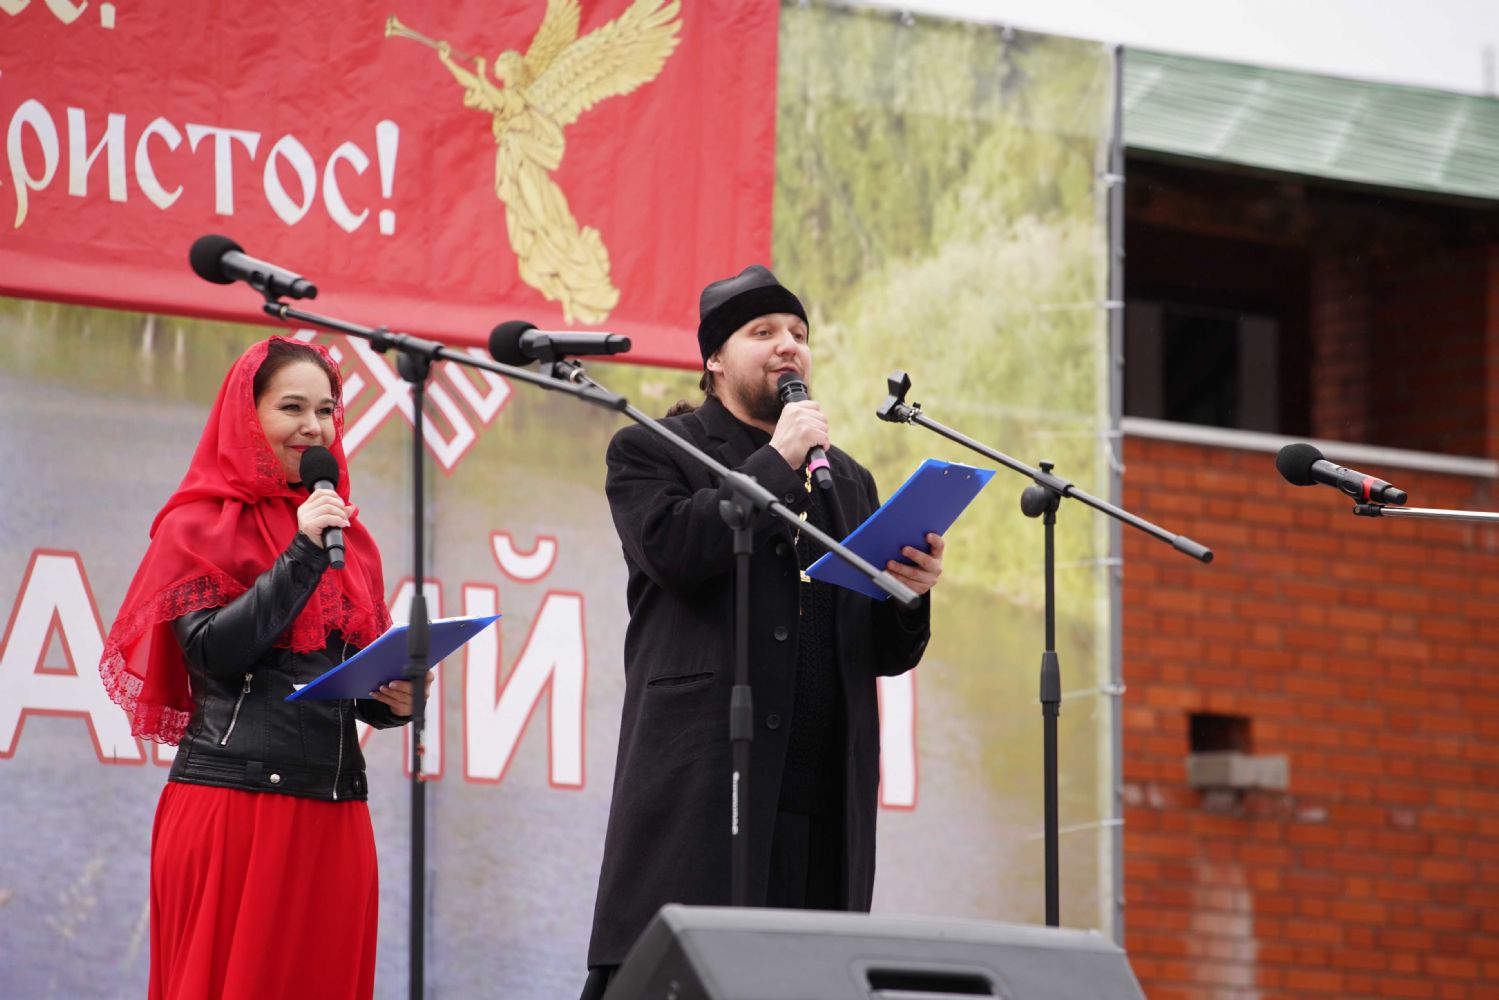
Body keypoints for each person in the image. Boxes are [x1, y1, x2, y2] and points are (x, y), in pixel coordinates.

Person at [581, 266, 945, 996]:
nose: (788, 346)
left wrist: (909, 593)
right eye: (763, 332)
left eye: (798, 334)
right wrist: (777, 460)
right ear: (715, 359)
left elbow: (883, 651)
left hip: (822, 804)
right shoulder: (655, 449)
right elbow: (676, 550)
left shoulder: (847, 480)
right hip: (707, 792)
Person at [98, 336, 420, 1000]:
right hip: (235, 809)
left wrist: (390, 699)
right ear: (247, 416)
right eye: (291, 408)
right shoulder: (196, 525)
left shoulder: (351, 539)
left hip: (335, 814)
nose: (313, 427)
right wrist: (301, 552)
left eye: (326, 411)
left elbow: (335, 677)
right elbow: (212, 653)